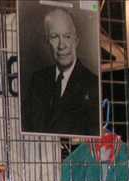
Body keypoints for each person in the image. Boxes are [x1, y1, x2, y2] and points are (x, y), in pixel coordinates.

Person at [22, 7, 99, 136]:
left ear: (76, 41)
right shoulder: (37, 80)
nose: (61, 45)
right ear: (47, 42)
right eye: (54, 37)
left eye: (67, 36)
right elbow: (27, 125)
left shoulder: (93, 84)